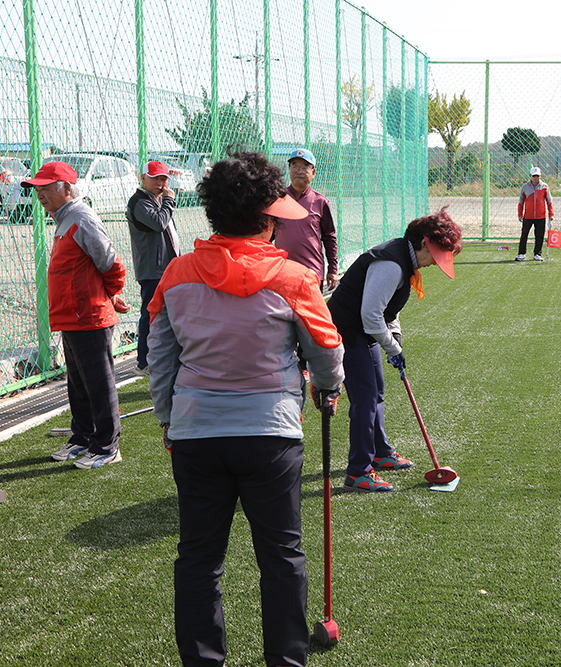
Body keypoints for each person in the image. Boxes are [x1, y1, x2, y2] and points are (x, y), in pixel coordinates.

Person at [147, 152, 345, 667]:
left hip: (195, 434)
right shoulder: (294, 277)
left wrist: (169, 418)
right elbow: (326, 351)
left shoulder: (178, 273)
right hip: (271, 436)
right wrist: (328, 388)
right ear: (266, 218)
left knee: (198, 561)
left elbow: (160, 357)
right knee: (281, 558)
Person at [327, 209, 462, 492]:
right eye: (435, 257)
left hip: (366, 331)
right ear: (424, 243)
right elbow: (371, 315)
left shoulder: (405, 259)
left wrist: (395, 339)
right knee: (364, 400)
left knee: (376, 392)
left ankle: (381, 453)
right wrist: (391, 346)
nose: (433, 265)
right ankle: (358, 472)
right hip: (349, 330)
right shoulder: (392, 264)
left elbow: (389, 309)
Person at [21, 162, 129, 469]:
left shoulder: (81, 219)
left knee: (98, 383)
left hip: (89, 316)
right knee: (78, 383)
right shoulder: (64, 219)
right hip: (74, 315)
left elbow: (110, 263)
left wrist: (110, 294)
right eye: (37, 190)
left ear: (67, 189)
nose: (40, 195)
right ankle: (83, 437)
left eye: (46, 189)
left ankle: (107, 446)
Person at [126, 160, 180, 376]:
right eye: (155, 178)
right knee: (149, 314)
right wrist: (169, 201)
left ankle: (162, 355)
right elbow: (158, 223)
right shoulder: (139, 201)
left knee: (166, 314)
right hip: (152, 270)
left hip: (166, 267)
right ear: (143, 178)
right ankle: (143, 362)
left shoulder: (155, 199)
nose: (160, 183)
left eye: (164, 178)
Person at [272, 148, 339, 291]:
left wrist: (333, 269)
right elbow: (267, 234)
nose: (299, 171)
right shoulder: (277, 199)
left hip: (312, 273)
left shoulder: (321, 202)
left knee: (310, 314)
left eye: (305, 167)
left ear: (313, 173)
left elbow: (329, 237)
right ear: (289, 170)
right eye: (294, 166)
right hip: (283, 272)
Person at [515, 167, 554, 262]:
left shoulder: (545, 187)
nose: (536, 178)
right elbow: (521, 201)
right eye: (534, 176)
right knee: (524, 234)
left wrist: (551, 213)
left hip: (541, 216)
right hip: (528, 216)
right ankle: (521, 254)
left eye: (538, 176)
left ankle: (537, 254)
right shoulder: (525, 187)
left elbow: (549, 201)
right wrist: (520, 214)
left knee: (539, 235)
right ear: (530, 176)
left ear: (540, 176)